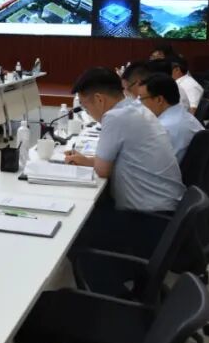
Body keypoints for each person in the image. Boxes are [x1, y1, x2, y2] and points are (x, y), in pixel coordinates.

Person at [64, 68, 184, 255]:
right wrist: (87, 160)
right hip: (165, 212)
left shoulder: (115, 117)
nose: (89, 112)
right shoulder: (136, 108)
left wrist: (92, 162)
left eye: (86, 107)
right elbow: (121, 160)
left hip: (148, 220)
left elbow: (103, 170)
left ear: (99, 99)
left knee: (73, 230)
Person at [138, 73, 203, 163]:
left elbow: (148, 163)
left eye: (141, 99)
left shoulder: (163, 129)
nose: (140, 104)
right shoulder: (187, 117)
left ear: (159, 100)